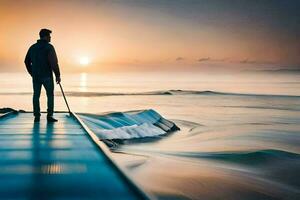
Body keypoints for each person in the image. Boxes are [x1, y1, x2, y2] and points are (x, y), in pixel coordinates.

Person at [24, 28, 61, 122]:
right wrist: (57, 75)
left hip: (36, 76)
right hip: (47, 76)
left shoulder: (33, 47)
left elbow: (26, 61)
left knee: (36, 95)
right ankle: (49, 116)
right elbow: (54, 62)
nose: (50, 38)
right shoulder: (49, 47)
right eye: (49, 36)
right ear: (45, 36)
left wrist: (32, 73)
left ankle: (37, 116)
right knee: (50, 95)